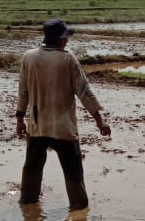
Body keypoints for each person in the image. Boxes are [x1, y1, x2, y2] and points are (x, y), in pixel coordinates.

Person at [16, 19, 111, 210]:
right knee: (73, 171)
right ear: (61, 39)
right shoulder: (68, 59)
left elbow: (23, 91)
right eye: (65, 37)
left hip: (37, 125)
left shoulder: (29, 57)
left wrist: (20, 120)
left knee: (32, 169)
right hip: (64, 128)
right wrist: (100, 121)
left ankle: (27, 202)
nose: (67, 41)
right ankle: (79, 209)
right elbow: (85, 92)